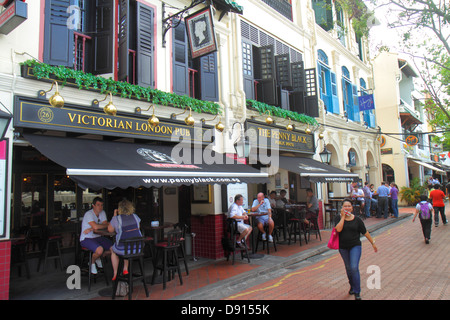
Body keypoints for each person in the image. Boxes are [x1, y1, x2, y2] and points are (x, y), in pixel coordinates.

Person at [335, 199, 378, 300]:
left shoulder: (357, 220)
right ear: (342, 208)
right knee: (348, 268)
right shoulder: (338, 218)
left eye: (349, 206)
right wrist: (343, 218)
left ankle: (357, 292)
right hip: (343, 247)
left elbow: (365, 232)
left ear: (352, 208)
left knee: (354, 267)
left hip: (355, 246)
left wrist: (373, 243)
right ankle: (352, 285)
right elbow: (338, 229)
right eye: (345, 206)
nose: (347, 208)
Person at [107, 199, 143, 281]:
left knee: (112, 249)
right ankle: (125, 268)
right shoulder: (135, 217)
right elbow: (138, 227)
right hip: (138, 248)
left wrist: (114, 215)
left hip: (124, 248)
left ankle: (115, 273)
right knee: (127, 248)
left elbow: (110, 230)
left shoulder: (117, 219)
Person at [80, 197, 112, 274]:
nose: (100, 207)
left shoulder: (102, 212)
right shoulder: (89, 214)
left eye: (101, 205)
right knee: (100, 250)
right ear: (93, 205)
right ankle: (92, 262)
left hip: (98, 237)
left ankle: (98, 257)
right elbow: (98, 226)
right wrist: (95, 227)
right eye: (98, 205)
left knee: (114, 248)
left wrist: (93, 227)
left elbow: (106, 224)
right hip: (86, 238)